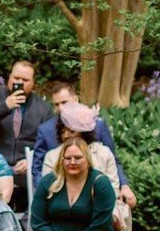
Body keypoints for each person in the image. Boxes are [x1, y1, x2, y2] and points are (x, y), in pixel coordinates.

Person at [29, 83, 133, 219]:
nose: (61, 108)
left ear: (76, 99)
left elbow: (112, 162)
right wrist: (47, 193)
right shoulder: (47, 134)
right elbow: (38, 170)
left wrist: (124, 185)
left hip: (98, 201)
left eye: (64, 103)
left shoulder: (99, 135)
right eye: (56, 104)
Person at [29, 134, 118, 231]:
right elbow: (38, 220)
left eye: (78, 157)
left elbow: (99, 225)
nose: (72, 162)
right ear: (61, 160)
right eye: (68, 158)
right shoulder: (49, 182)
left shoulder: (100, 184)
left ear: (87, 159)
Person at [37, 102, 132, 231]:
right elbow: (48, 190)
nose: (67, 135)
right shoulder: (52, 156)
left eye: (72, 131)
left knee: (108, 214)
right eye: (63, 131)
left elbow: (113, 189)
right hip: (64, 208)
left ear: (84, 132)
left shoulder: (103, 153)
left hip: (100, 205)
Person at [0, 59, 54, 202]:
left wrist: (32, 160)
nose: (19, 82)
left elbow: (50, 142)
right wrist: (4, 107)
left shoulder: (43, 108)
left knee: (48, 183)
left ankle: (31, 221)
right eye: (16, 78)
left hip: (26, 167)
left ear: (33, 83)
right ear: (9, 78)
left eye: (25, 79)